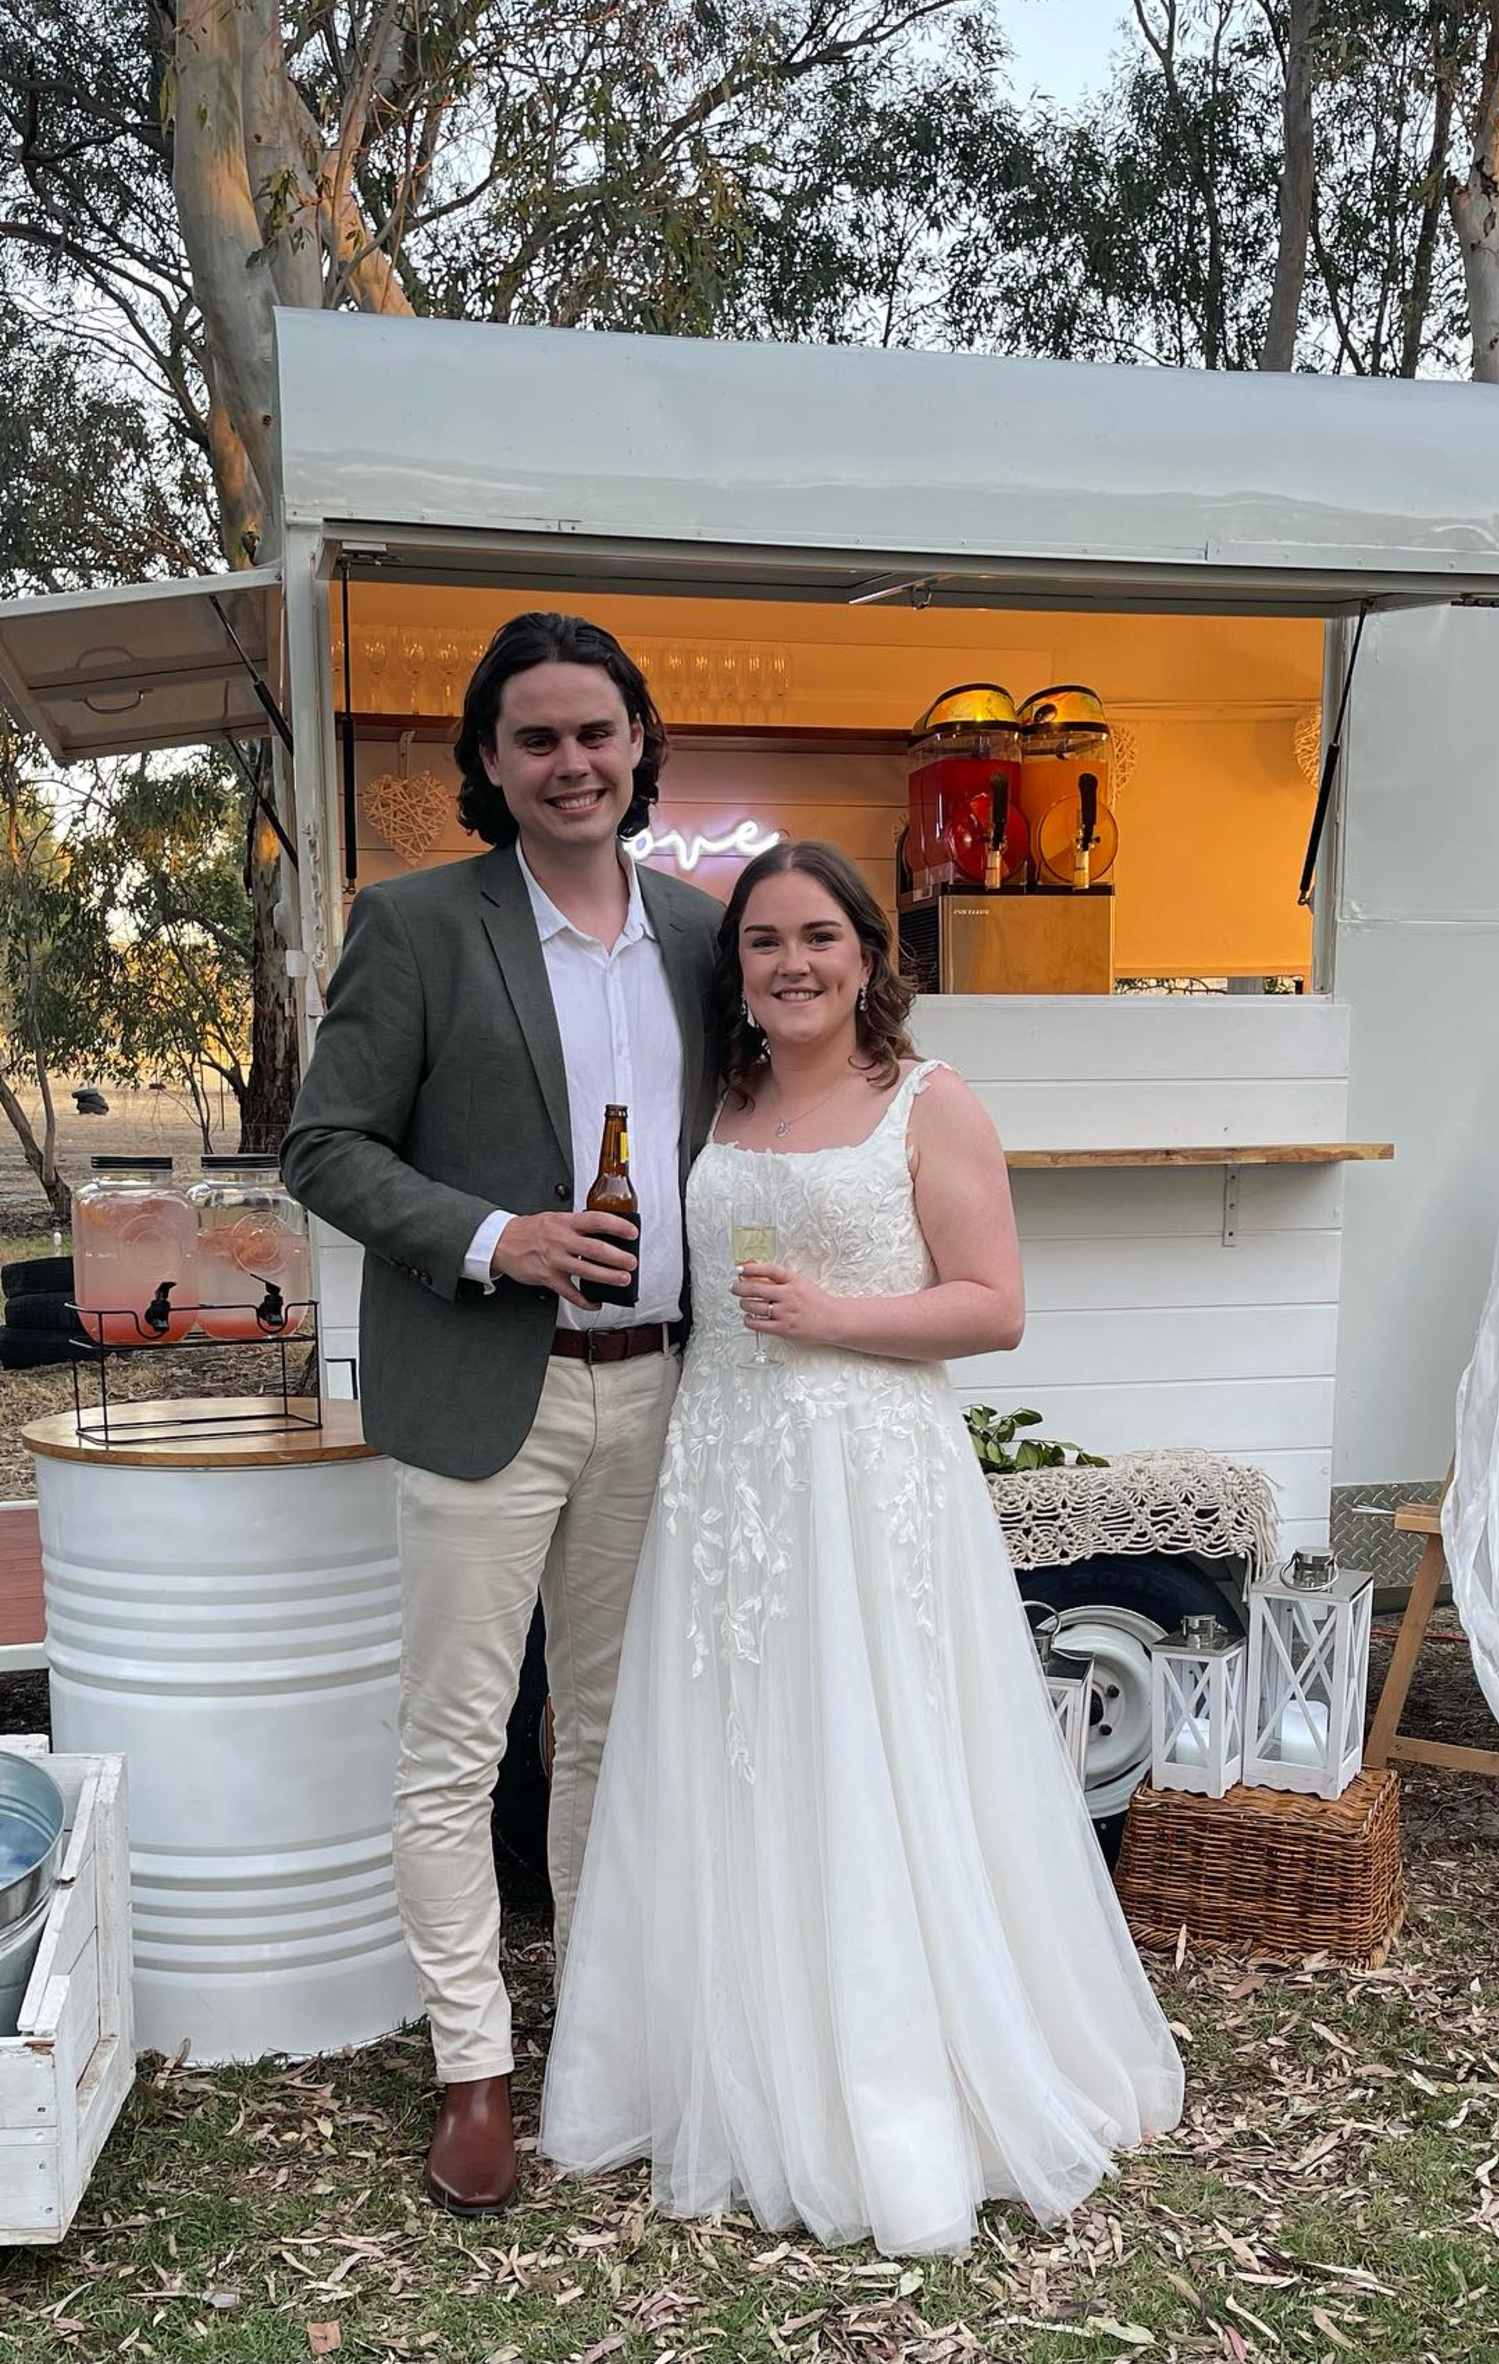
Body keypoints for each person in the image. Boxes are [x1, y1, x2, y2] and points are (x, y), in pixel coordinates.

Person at [540, 840, 1183, 2255]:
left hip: (869, 1471)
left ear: (869, 955)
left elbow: (993, 1306)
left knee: (878, 1744)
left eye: (818, 937)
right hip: (723, 1467)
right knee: (732, 1746)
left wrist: (838, 1319)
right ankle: (718, 2053)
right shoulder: (721, 1101)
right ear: (741, 973)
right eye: (763, 942)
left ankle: (890, 2077)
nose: (791, 964)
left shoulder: (926, 1105)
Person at [282, 613, 720, 2216]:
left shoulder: (699, 930)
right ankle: (474, 2067)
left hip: (664, 1387)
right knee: (456, 1747)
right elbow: (324, 1146)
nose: (571, 763)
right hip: (489, 1388)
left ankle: (594, 2040)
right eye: (534, 738)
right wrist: (495, 1238)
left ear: (637, 742)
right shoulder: (413, 925)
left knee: (610, 1739)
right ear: (486, 762)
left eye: (596, 732)